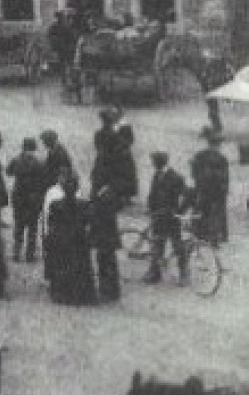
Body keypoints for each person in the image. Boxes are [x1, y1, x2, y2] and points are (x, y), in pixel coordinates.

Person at [44, 174, 97, 305]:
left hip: (61, 239)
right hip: (78, 239)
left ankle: (61, 293)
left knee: (62, 264)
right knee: (80, 266)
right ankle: (82, 295)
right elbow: (90, 221)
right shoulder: (84, 205)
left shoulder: (55, 205)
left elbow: (51, 222)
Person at [144, 152, 191, 285]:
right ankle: (155, 273)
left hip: (171, 218)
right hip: (158, 216)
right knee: (157, 244)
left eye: (154, 162)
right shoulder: (157, 174)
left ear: (160, 162)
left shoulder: (176, 177)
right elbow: (152, 194)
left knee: (177, 246)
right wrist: (150, 208)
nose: (152, 164)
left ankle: (184, 274)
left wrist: (179, 211)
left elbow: (188, 195)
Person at [6, 137, 49, 263]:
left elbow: (8, 172)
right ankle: (29, 255)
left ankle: (16, 253)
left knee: (18, 226)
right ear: (34, 148)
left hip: (18, 198)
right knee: (32, 228)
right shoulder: (39, 162)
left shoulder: (16, 159)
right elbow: (43, 181)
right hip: (33, 199)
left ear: (23, 147)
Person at [91, 107, 138, 209]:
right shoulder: (114, 134)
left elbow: (98, 147)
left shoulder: (98, 133)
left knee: (100, 178)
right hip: (114, 160)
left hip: (102, 160)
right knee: (116, 178)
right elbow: (122, 145)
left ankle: (97, 196)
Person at [190, 128, 230, 245]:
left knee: (203, 209)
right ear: (217, 144)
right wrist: (225, 189)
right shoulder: (221, 158)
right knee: (217, 212)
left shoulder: (200, 155)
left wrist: (198, 182)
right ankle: (216, 236)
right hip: (217, 190)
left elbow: (194, 172)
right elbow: (225, 177)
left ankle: (201, 233)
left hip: (203, 188)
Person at [89, 183, 124, 303]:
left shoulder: (105, 197)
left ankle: (108, 290)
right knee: (106, 262)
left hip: (105, 237)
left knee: (106, 262)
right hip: (106, 237)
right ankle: (110, 290)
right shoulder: (105, 195)